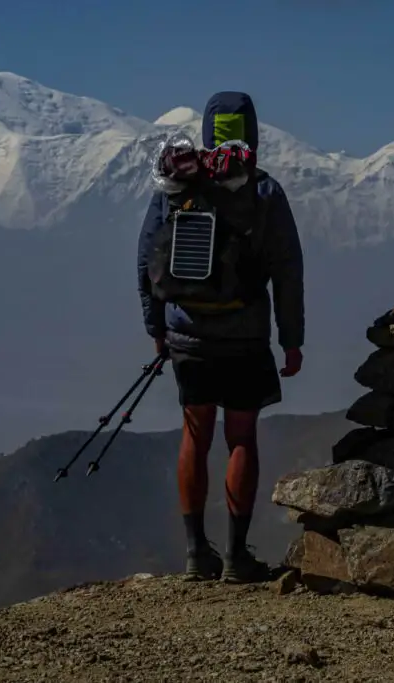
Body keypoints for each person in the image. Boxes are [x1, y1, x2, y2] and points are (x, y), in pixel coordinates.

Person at [136, 91, 305, 583]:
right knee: (240, 437)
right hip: (246, 336)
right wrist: (291, 339)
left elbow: (146, 261)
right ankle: (235, 556)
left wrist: (156, 328)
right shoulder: (264, 192)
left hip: (187, 334)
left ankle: (195, 553)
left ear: (208, 131)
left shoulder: (175, 185)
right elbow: (288, 272)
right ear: (251, 132)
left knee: (195, 433)